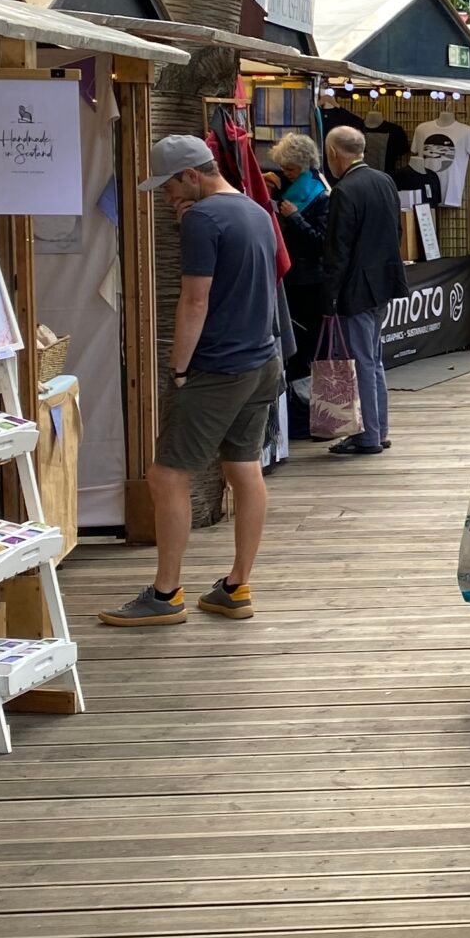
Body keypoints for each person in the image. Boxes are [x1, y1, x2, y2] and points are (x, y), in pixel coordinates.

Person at [102, 135, 285, 625]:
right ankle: (236, 585)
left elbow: (195, 301)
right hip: (261, 358)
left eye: (169, 186)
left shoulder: (203, 220)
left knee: (166, 475)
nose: (167, 198)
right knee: (243, 467)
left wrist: (179, 368)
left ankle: (165, 595)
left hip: (218, 365)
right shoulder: (254, 210)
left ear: (191, 175)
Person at [319, 125, 405, 458]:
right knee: (373, 359)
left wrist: (330, 296)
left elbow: (337, 250)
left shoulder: (344, 191)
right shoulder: (384, 180)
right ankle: (378, 429)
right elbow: (395, 231)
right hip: (382, 282)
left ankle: (369, 435)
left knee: (363, 362)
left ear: (332, 153)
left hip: (355, 287)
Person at [269, 134, 332, 441]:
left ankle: (313, 416)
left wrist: (294, 219)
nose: (285, 174)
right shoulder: (294, 188)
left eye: (290, 169)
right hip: (293, 282)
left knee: (307, 351)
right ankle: (300, 415)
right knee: (297, 354)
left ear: (303, 166)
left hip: (311, 284)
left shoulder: (319, 196)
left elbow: (322, 243)